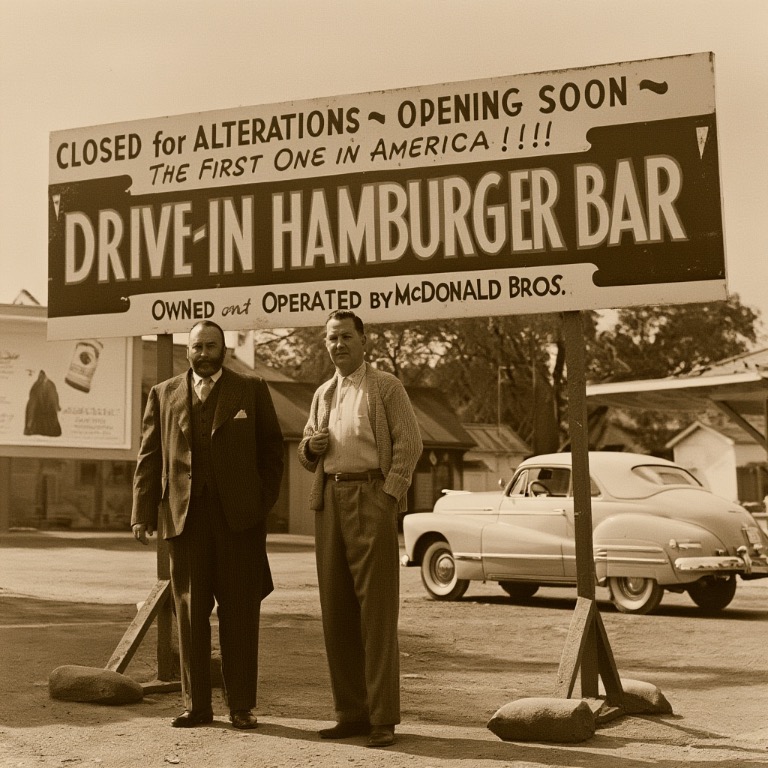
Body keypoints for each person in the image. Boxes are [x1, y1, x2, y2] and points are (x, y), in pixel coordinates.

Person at [131, 320, 284, 730]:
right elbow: (149, 457)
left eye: (210, 346)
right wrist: (142, 512)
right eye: (197, 346)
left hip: (239, 525)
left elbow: (272, 453)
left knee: (240, 614)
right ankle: (196, 706)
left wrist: (258, 505)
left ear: (224, 349)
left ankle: (241, 706)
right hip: (186, 523)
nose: (203, 353)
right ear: (187, 350)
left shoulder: (250, 389)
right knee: (190, 614)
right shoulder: (163, 394)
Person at [298, 310, 422, 748]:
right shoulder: (323, 393)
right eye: (332, 338)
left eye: (346, 337)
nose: (338, 345)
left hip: (372, 495)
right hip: (330, 499)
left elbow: (410, 443)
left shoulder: (385, 387)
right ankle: (350, 713)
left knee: (377, 613)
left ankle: (382, 718)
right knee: (336, 610)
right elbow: (307, 451)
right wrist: (310, 447)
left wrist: (390, 494)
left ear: (363, 341)